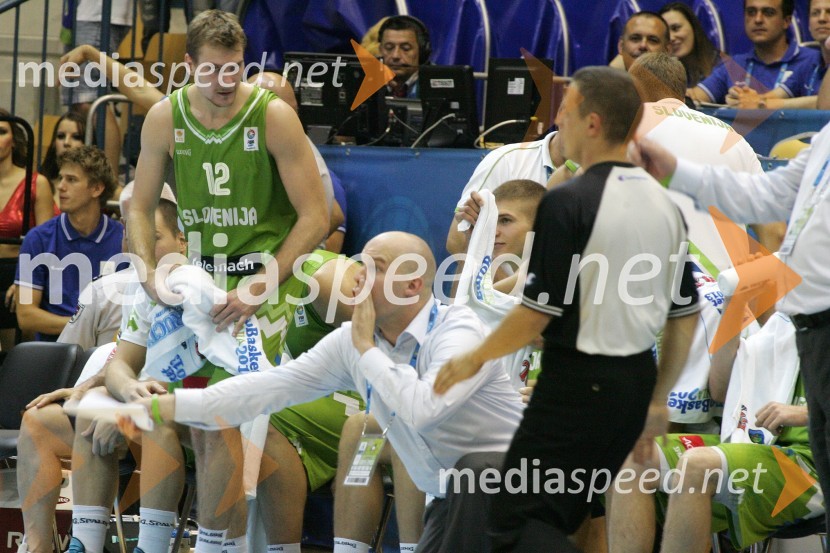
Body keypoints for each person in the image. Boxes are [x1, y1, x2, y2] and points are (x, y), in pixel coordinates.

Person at [433, 67, 700, 552]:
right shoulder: (664, 205)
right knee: (569, 515)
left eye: (566, 111)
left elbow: (538, 312)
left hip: (576, 385)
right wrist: (657, 398)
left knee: (512, 516)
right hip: (633, 382)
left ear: (593, 123)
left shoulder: (567, 202)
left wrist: (474, 357)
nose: (557, 121)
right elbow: (684, 316)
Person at [138, 231, 525, 553]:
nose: (358, 275)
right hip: (450, 496)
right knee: (371, 438)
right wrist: (167, 405)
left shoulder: (459, 330)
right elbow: (270, 387)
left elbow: (423, 409)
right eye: (360, 263)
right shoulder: (353, 341)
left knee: (445, 460)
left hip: (514, 485)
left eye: (376, 268)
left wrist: (366, 349)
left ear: (412, 285)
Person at [128, 9, 328, 551]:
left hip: (268, 280)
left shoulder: (273, 117)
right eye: (212, 70)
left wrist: (261, 285)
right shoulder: (165, 119)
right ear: (188, 65)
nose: (223, 82)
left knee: (226, 417)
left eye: (234, 69)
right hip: (201, 284)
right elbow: (140, 207)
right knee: (156, 412)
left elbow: (317, 215)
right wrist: (147, 272)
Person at [630, 80, 830, 539]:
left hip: (816, 340)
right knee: (632, 457)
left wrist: (804, 413)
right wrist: (675, 170)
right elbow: (765, 196)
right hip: (811, 328)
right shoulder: (825, 143)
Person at [16, 195, 183, 553]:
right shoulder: (138, 293)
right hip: (132, 406)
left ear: (182, 239)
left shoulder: (198, 286)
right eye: (135, 239)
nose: (143, 248)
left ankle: (151, 546)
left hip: (184, 414)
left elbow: (200, 375)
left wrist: (124, 409)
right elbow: (124, 360)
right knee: (39, 421)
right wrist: (85, 388)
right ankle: (42, 546)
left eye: (154, 237)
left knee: (139, 421)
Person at [608, 310, 821, 552]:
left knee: (698, 466)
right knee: (634, 456)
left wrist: (805, 414)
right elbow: (720, 391)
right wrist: (735, 302)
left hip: (816, 463)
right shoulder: (788, 317)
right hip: (759, 445)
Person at [629, 52, 786, 258]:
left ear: (633, 90)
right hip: (727, 285)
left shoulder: (629, 126)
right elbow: (776, 231)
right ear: (681, 91)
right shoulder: (733, 138)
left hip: (652, 278)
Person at [15, 144, 122, 342]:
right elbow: (26, 316)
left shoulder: (123, 239)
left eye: (71, 180)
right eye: (61, 178)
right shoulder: (38, 239)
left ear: (97, 188)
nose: (61, 186)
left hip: (107, 350)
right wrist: (81, 325)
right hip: (55, 352)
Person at [445, 130, 565, 260]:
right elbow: (456, 241)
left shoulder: (587, 175)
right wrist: (506, 280)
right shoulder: (506, 160)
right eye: (503, 220)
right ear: (561, 114)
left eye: (505, 221)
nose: (496, 232)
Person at [688, 0, 820, 106]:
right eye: (751, 12)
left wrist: (760, 104)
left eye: (768, 12)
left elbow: (823, 104)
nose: (758, 19)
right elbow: (694, 97)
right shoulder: (734, 65)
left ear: (786, 21)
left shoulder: (812, 60)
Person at [0, 108, 55, 350]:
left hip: (17, 274)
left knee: (15, 358)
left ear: (14, 140)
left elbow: (45, 243)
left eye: (1, 132)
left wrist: (24, 280)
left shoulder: (37, 183)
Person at [729, 0, 830, 109]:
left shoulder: (806, 56)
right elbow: (773, 96)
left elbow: (825, 104)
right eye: (815, 13)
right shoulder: (811, 61)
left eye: (829, 12)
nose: (822, 19)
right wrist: (742, 98)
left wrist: (762, 104)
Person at [658, 3, 720, 88]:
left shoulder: (721, 66)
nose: (671, 38)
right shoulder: (657, 74)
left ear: (693, 27)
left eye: (676, 28)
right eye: (666, 33)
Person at [378, 15, 431, 98]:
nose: (395, 56)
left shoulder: (437, 86)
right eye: (389, 48)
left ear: (421, 51)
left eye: (405, 48)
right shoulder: (364, 86)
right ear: (380, 50)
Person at [40, 111, 86, 200]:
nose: (66, 143)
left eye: (76, 137)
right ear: (54, 143)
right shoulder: (39, 183)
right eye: (61, 136)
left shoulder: (99, 184)